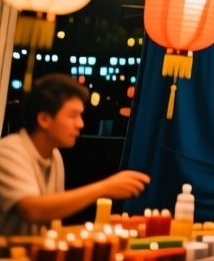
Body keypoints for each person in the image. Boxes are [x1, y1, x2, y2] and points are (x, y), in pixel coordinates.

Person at [0, 75, 149, 236]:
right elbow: (31, 209)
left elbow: (54, 212)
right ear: (44, 119)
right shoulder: (9, 151)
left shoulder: (54, 154)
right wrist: (105, 188)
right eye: (73, 115)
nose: (80, 124)